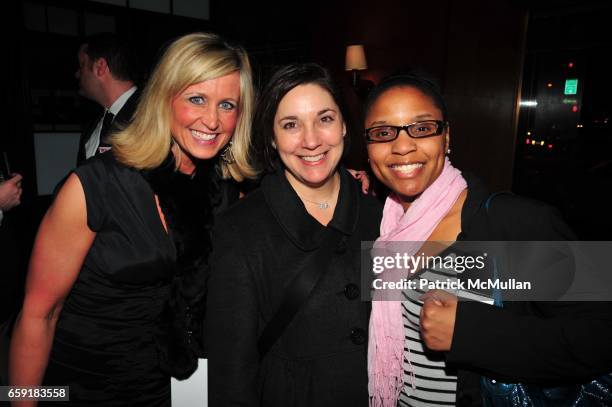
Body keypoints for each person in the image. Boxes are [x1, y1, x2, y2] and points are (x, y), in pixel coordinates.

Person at [9, 32, 255, 406]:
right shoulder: (94, 185)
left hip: (166, 388)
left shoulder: (224, 194)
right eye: (196, 99)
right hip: (80, 387)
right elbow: (38, 315)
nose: (212, 120)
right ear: (164, 98)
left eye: (227, 105)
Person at [364, 74, 612, 406]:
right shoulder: (384, 227)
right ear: (368, 149)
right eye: (383, 133)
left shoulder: (514, 223)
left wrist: (470, 334)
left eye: (422, 128)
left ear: (447, 136)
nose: (403, 145)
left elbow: (601, 332)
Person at [206, 63, 382, 406]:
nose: (311, 140)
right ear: (272, 137)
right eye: (291, 125)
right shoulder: (240, 230)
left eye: (325, 119)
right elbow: (230, 375)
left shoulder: (382, 217)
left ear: (345, 125)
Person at [75, 32, 141, 164]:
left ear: (100, 67)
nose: (77, 74)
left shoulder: (150, 116)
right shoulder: (92, 126)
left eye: (82, 65)